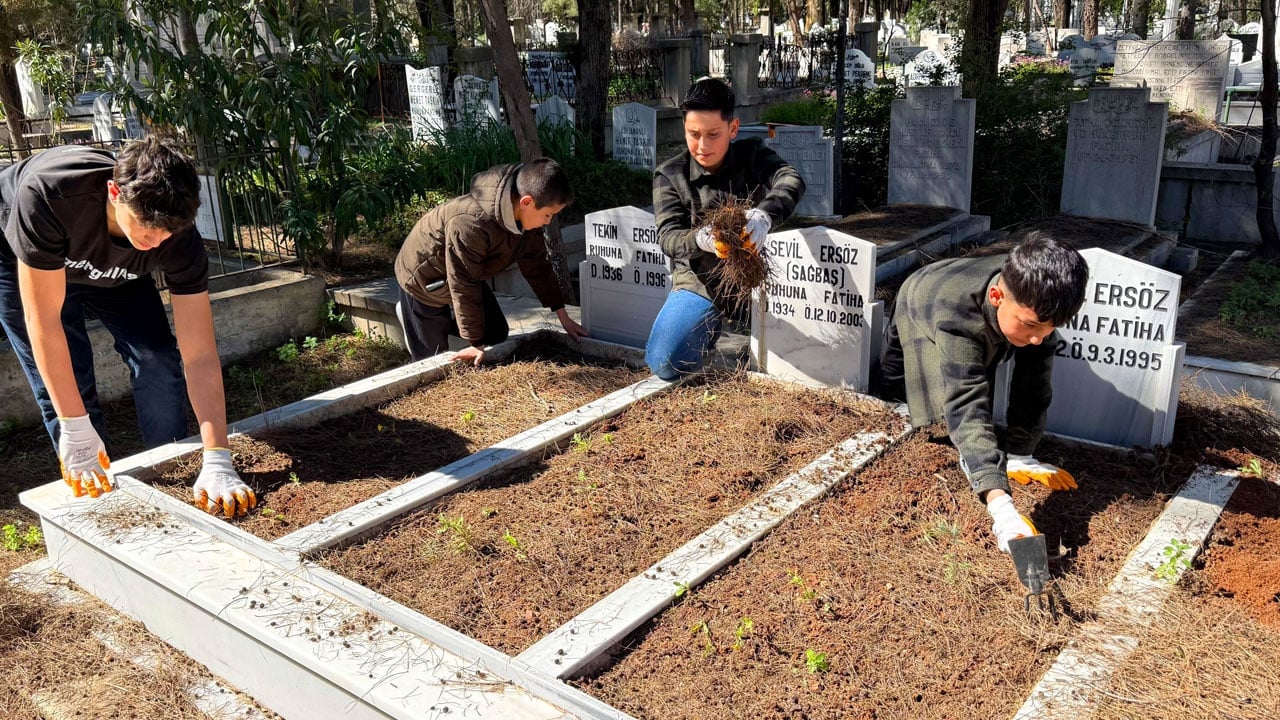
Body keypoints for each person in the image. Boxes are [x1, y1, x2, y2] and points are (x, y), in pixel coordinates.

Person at [0, 137, 255, 518]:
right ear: (115, 192)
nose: (155, 242)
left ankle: (168, 464)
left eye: (165, 233)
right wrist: (74, 424)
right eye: (146, 228)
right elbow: (44, 323)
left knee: (157, 357)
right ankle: (96, 493)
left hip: (116, 268)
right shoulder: (49, 195)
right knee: (70, 384)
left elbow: (199, 352)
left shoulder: (173, 236)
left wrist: (218, 454)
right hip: (28, 253)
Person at [878, 231, 1088, 553]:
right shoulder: (956, 316)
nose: (1037, 339)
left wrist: (1021, 453)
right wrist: (1000, 506)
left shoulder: (1037, 302)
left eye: (1048, 329)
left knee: (994, 363)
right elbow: (966, 405)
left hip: (969, 297)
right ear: (996, 297)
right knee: (905, 390)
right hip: (921, 296)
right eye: (1030, 326)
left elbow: (1034, 385)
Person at [645, 77, 805, 380]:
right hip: (700, 283)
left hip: (756, 276)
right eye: (693, 134)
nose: (702, 146)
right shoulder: (670, 175)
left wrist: (764, 216)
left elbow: (791, 179)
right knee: (665, 362)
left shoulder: (753, 156)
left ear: (732, 129)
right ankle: (704, 328)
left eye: (713, 134)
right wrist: (701, 239)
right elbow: (667, 237)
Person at [394, 157, 586, 365]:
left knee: (495, 332)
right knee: (430, 362)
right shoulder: (471, 222)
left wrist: (562, 314)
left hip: (463, 274)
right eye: (548, 215)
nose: (548, 222)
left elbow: (536, 264)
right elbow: (463, 282)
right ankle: (412, 317)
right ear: (526, 202)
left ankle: (446, 320)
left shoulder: (526, 218)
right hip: (424, 279)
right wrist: (475, 343)